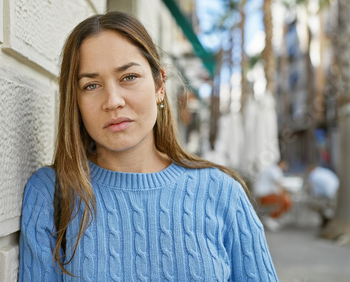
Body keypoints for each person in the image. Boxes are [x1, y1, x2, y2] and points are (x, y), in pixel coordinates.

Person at [19, 11, 278, 281]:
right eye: (92, 85)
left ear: (159, 85)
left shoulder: (222, 194)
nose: (113, 100)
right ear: (76, 100)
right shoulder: (50, 195)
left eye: (128, 77)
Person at [253, 160, 292, 231]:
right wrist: (284, 193)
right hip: (264, 194)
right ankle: (271, 219)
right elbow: (278, 183)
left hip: (262, 194)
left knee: (284, 200)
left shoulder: (271, 169)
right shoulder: (275, 170)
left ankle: (272, 218)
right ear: (281, 163)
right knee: (285, 201)